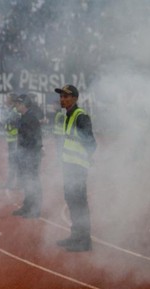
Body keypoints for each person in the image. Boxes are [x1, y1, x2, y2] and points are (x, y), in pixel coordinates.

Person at [54, 84, 96, 252]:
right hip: (69, 167)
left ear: (75, 98)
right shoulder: (68, 115)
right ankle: (76, 235)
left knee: (79, 203)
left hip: (77, 168)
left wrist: (84, 159)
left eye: (66, 96)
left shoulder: (80, 116)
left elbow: (91, 143)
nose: (62, 99)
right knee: (72, 201)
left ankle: (84, 240)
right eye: (61, 96)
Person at [11, 94, 43, 218]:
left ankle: (35, 209)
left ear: (23, 105)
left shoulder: (30, 118)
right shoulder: (24, 117)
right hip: (25, 154)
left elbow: (35, 138)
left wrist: (29, 153)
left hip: (31, 155)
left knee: (33, 181)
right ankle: (28, 205)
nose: (16, 106)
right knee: (26, 181)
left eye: (18, 104)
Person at [2, 93, 20, 189]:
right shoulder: (10, 110)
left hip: (15, 141)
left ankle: (16, 183)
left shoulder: (14, 111)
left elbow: (17, 125)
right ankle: (11, 183)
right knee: (13, 162)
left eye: (7, 98)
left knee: (15, 162)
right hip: (11, 140)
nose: (5, 100)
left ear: (12, 101)